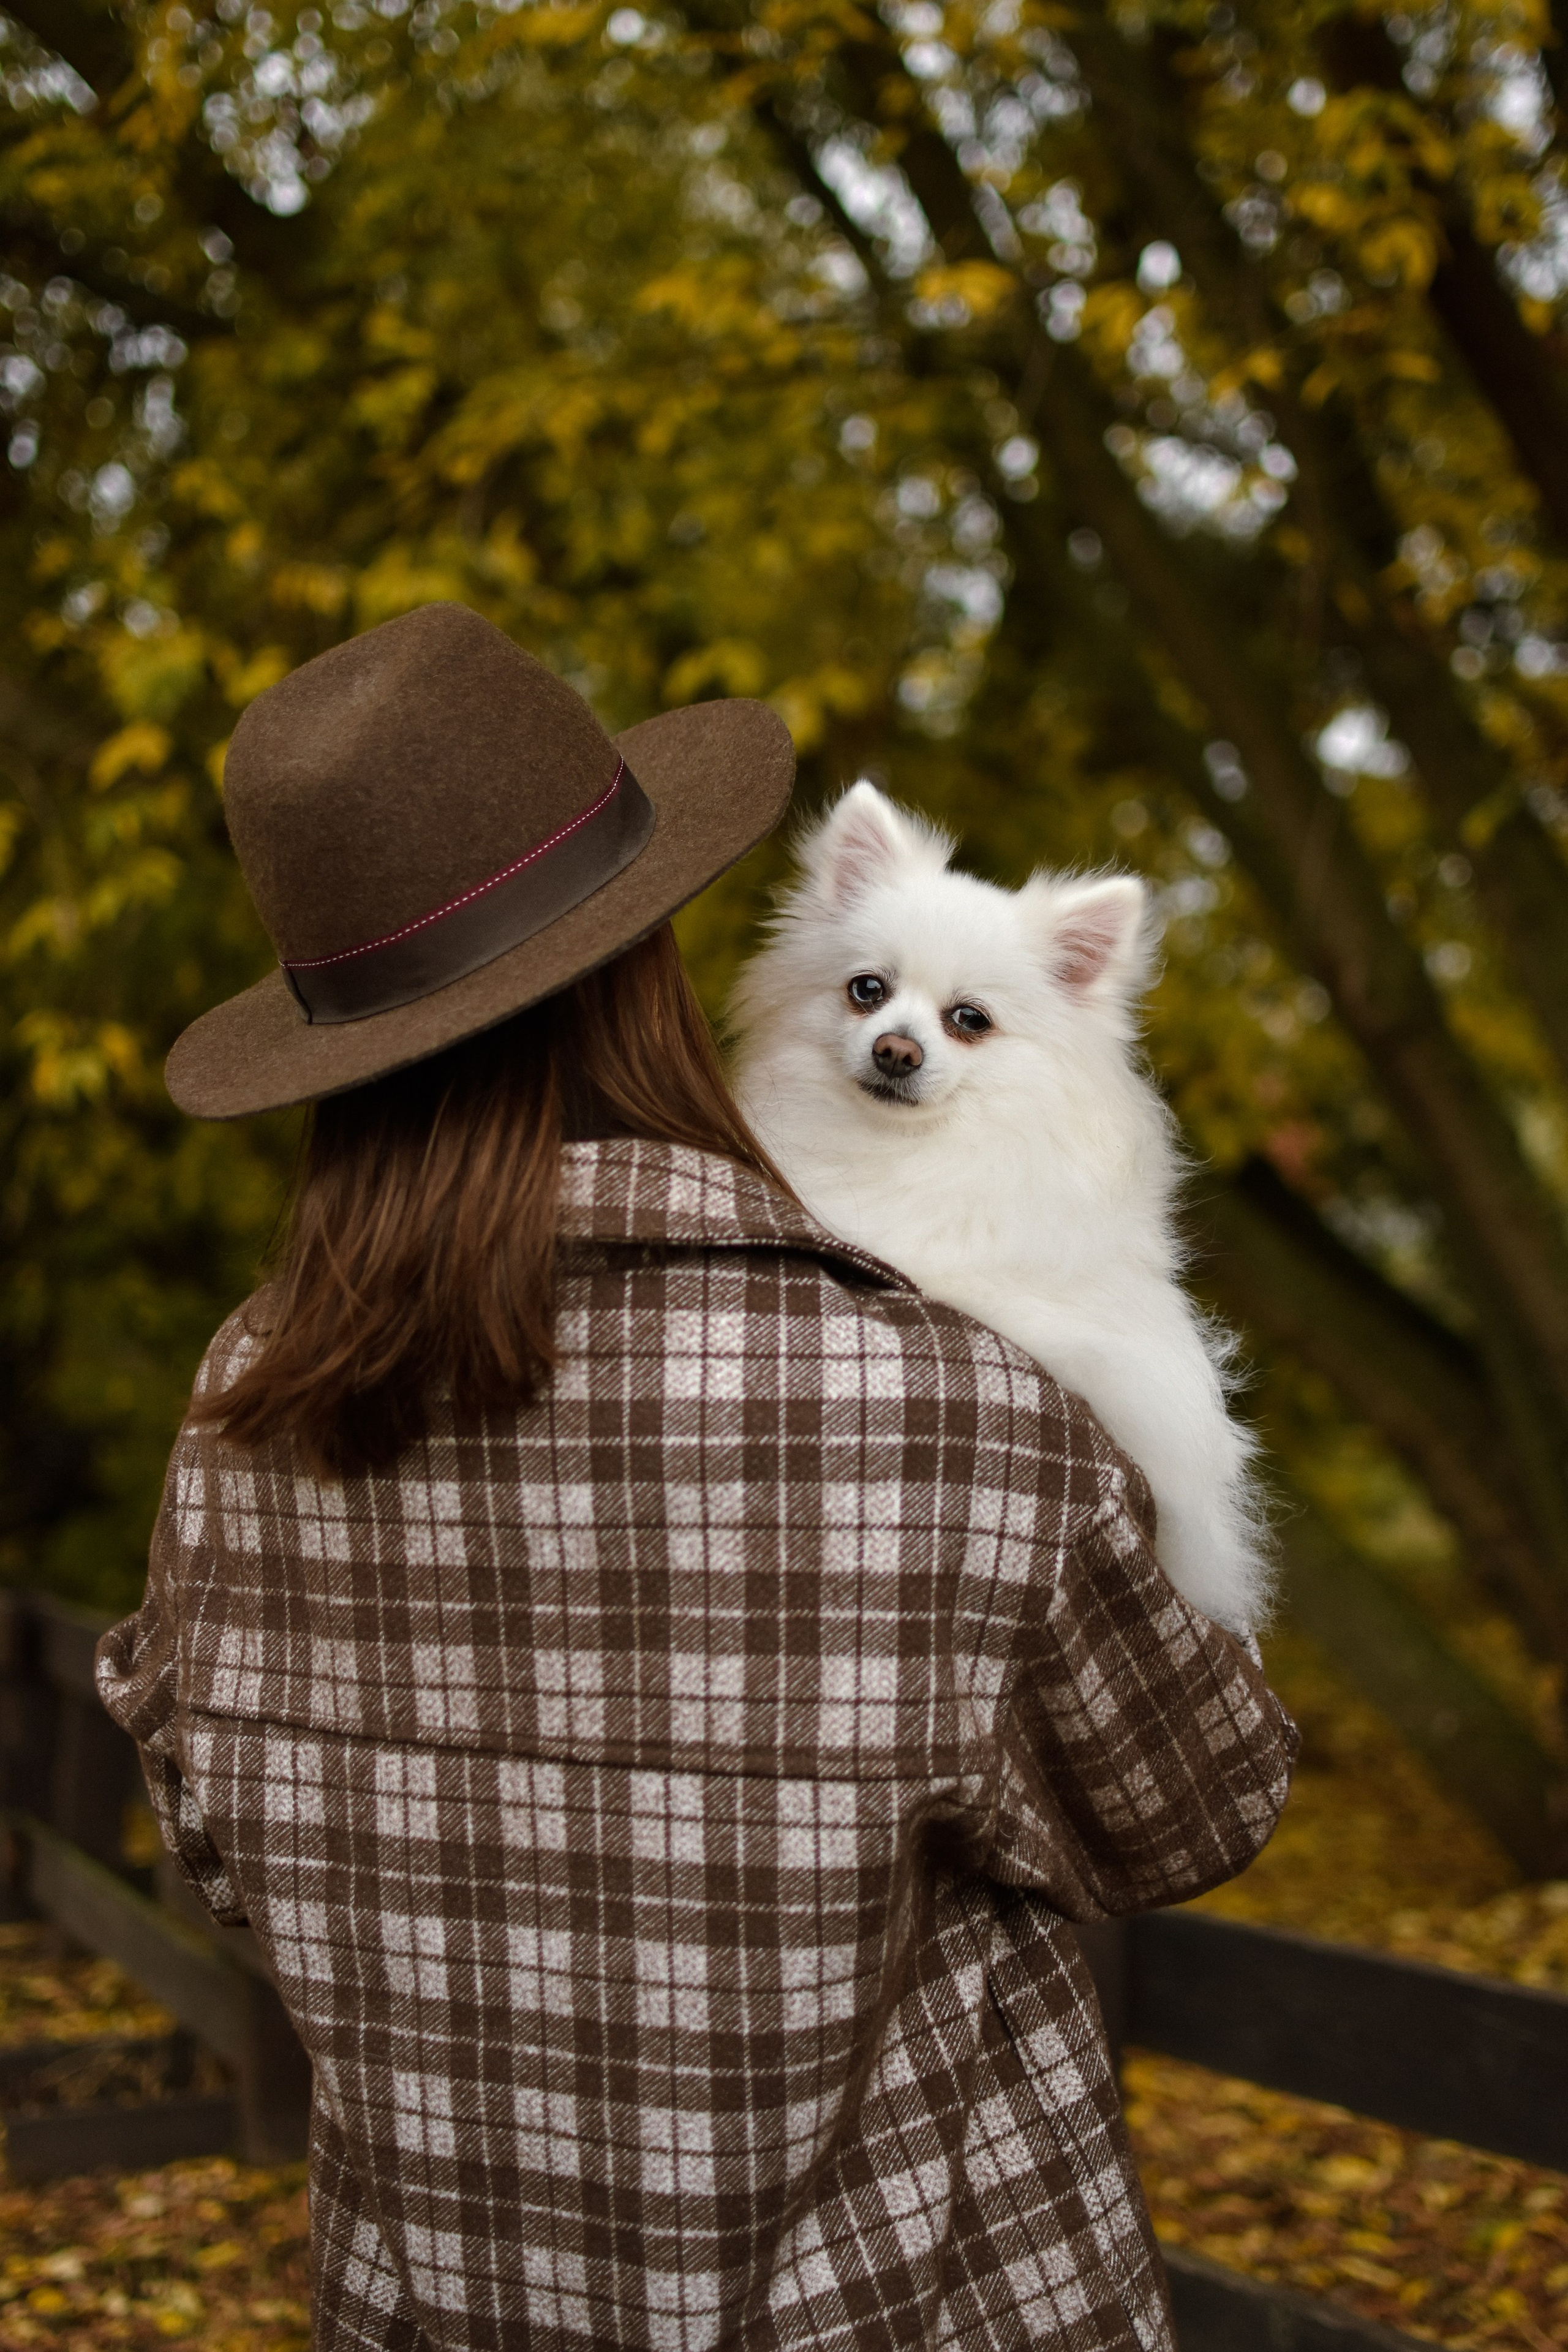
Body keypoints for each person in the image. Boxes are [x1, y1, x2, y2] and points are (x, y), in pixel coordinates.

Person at [97, 601, 1296, 2352]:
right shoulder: (955, 1406)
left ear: (336, 1059)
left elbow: (217, 1845)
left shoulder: (240, 1416)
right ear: (651, 965)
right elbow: (1204, 1808)